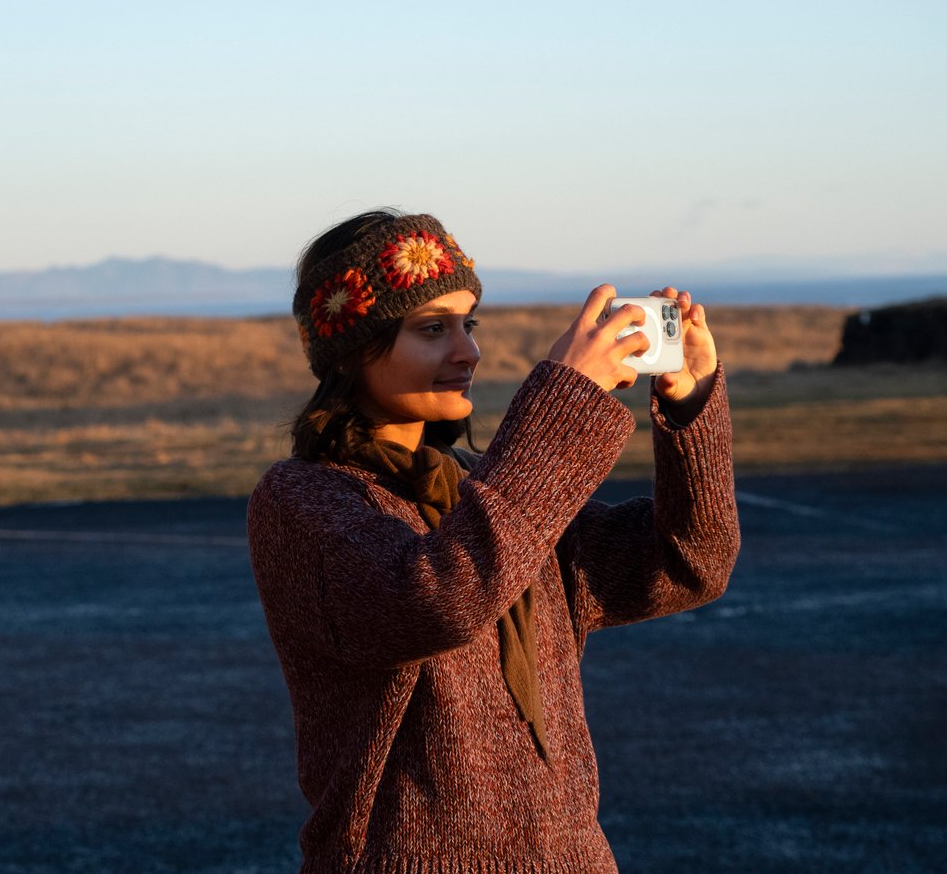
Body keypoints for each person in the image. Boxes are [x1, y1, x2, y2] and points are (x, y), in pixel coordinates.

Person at [247, 209, 739, 873]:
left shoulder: (488, 493)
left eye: (468, 324)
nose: (467, 351)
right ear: (353, 350)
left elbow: (689, 562)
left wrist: (691, 400)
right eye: (432, 329)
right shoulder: (304, 504)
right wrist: (565, 400)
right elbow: (440, 594)